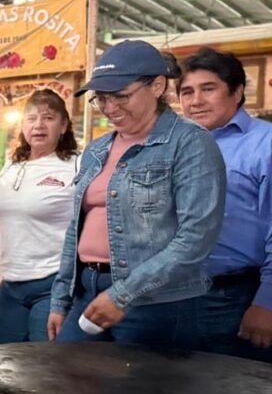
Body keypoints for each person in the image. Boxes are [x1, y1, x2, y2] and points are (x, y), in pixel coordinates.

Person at [48, 40, 226, 346]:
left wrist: (122, 294)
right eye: (101, 99)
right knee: (67, 374)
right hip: (88, 290)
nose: (109, 108)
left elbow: (196, 238)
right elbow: (75, 229)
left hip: (156, 302)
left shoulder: (190, 143)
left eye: (121, 96)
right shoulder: (97, 150)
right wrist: (61, 298)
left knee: (138, 378)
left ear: (157, 86)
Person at [0, 89, 78, 348]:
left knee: (42, 366)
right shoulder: (12, 168)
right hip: (11, 284)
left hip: (53, 285)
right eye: (31, 118)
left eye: (48, 118)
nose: (39, 125)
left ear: (63, 126)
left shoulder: (76, 166)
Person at [177, 48, 272, 359]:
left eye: (208, 89)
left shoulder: (265, 144)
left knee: (237, 386)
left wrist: (267, 302)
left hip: (237, 298)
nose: (196, 101)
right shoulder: (176, 145)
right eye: (187, 92)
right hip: (173, 299)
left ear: (237, 91)